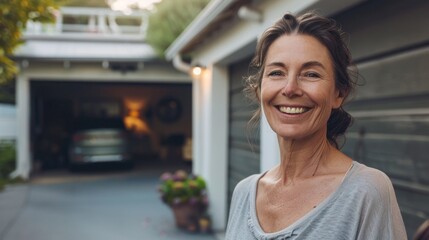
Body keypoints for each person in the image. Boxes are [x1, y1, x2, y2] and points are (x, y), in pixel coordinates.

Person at [225, 12, 407, 240]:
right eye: (276, 73)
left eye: (310, 74)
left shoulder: (366, 191)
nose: (290, 88)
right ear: (260, 90)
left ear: (338, 94)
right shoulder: (244, 193)